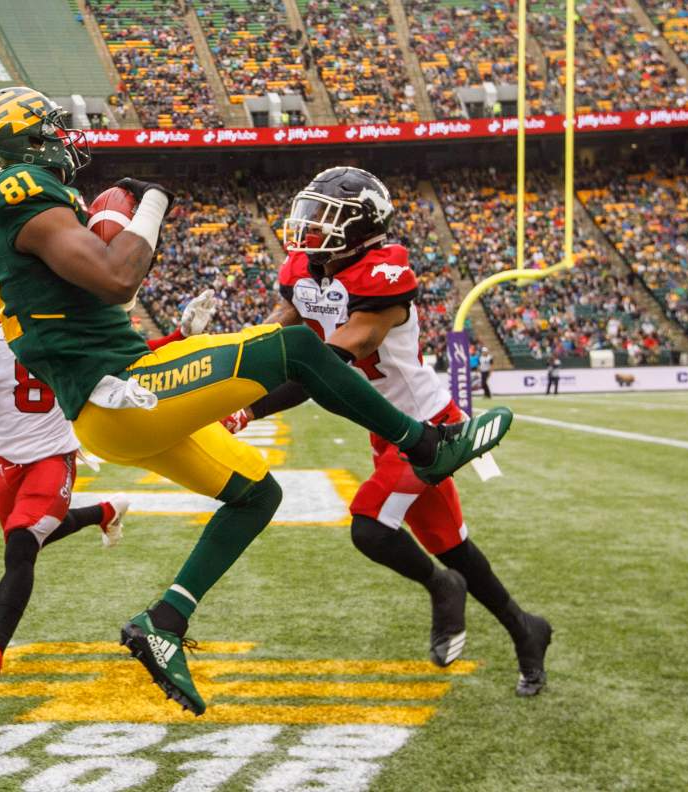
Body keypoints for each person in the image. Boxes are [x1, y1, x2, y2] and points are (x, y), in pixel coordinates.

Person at [0, 86, 513, 714]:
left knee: (258, 492)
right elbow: (119, 277)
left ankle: (162, 623)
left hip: (118, 405)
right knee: (298, 348)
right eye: (47, 131)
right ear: (21, 145)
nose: (62, 140)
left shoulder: (31, 220)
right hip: (124, 394)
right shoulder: (19, 189)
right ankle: (429, 444)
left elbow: (84, 307)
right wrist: (152, 205)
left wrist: (120, 234)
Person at [222, 167, 551, 696]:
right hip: (387, 433)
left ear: (364, 226)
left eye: (326, 217)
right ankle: (526, 630)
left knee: (370, 527)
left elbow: (340, 351)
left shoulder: (384, 274)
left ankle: (443, 589)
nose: (309, 227)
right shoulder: (305, 273)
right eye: (309, 212)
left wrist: (264, 383)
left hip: (428, 429)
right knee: (453, 545)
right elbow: (280, 344)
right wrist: (234, 390)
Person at [0, 291, 139, 701]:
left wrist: (178, 336)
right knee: (27, 541)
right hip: (7, 463)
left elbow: (120, 356)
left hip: (53, 455)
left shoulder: (62, 316)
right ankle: (105, 512)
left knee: (21, 544)